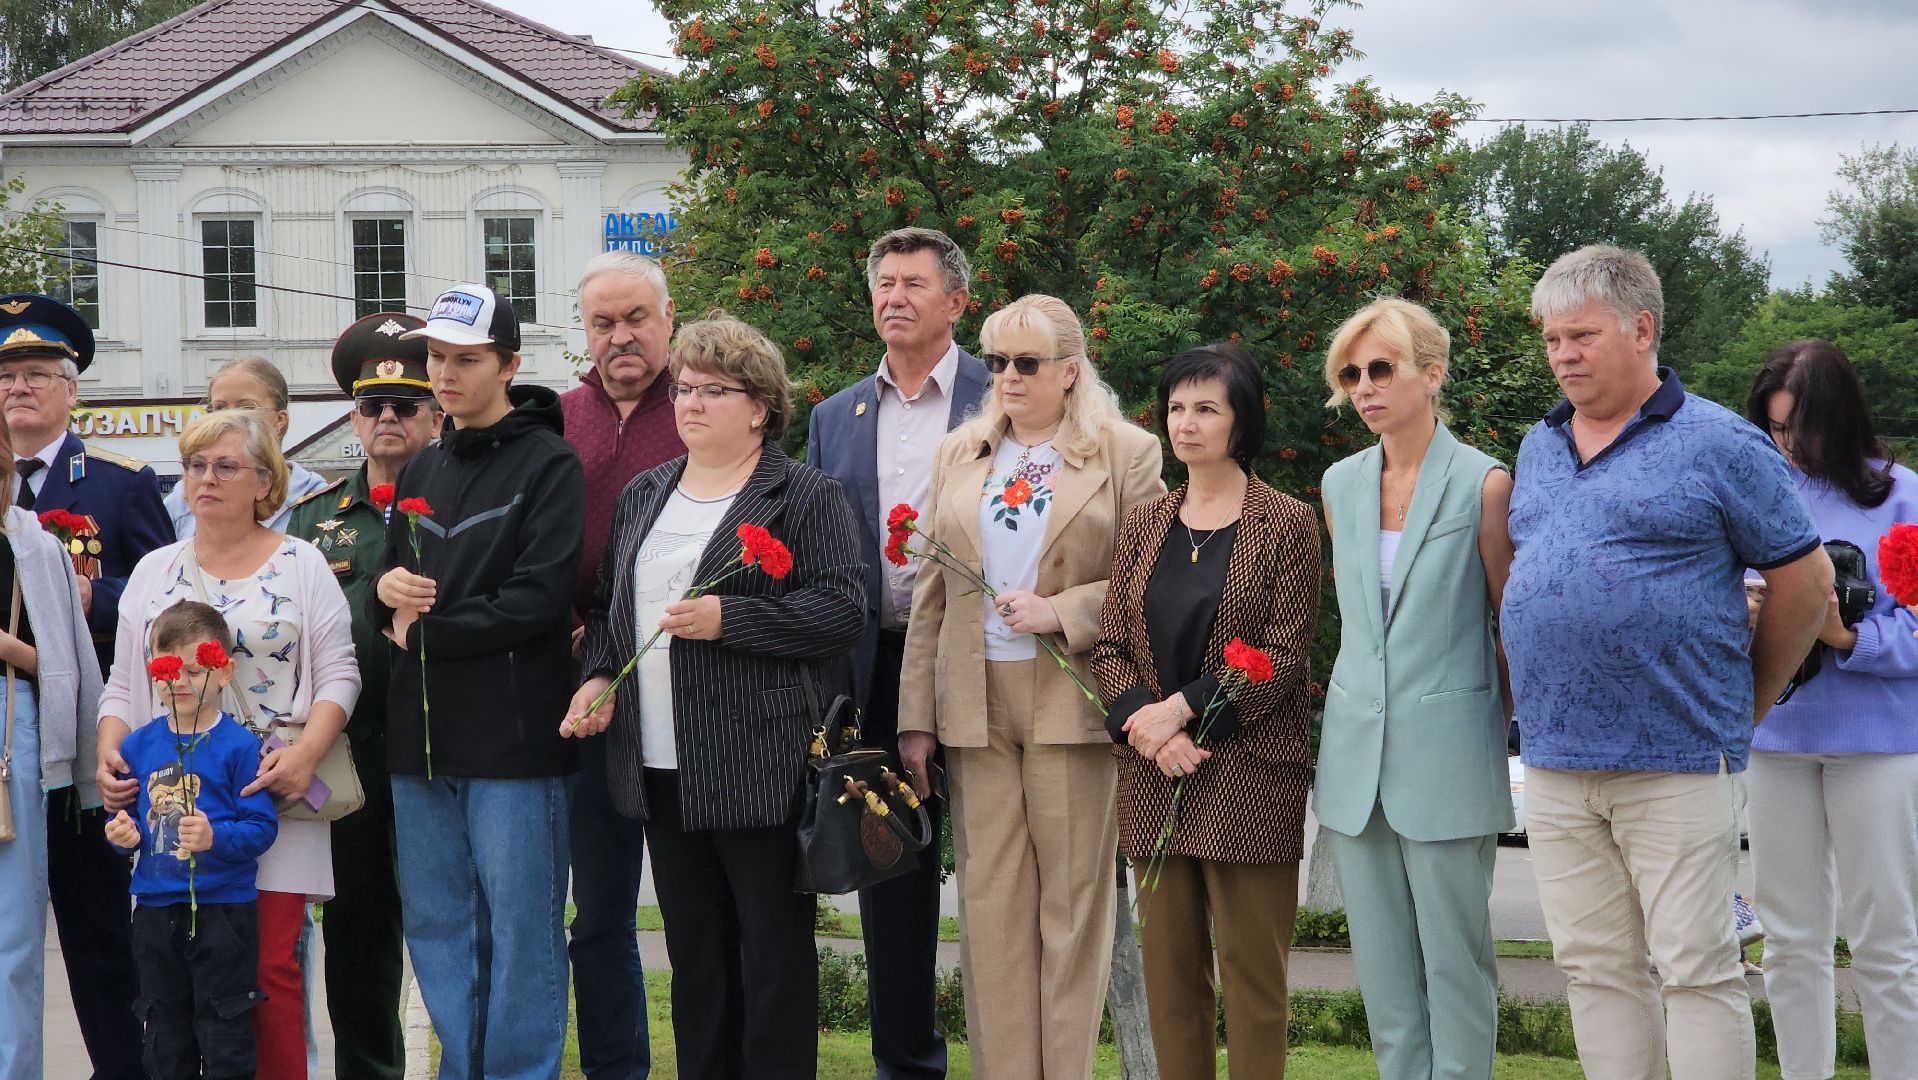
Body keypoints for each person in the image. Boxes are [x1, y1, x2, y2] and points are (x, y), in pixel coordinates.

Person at [1503, 245, 1832, 1080]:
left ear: (1641, 329)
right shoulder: (1538, 446)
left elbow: (1806, 578)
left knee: (1696, 969)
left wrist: (1754, 693)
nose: (1562, 355)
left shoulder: (1721, 441)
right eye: (1551, 340)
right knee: (1594, 969)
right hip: (1553, 759)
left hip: (1679, 755)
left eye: (1580, 336)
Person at [567, 313, 865, 1080]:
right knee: (695, 961)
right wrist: (600, 678)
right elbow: (609, 609)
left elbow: (841, 611)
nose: (690, 404)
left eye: (712, 391)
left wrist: (731, 617)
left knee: (771, 960)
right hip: (659, 764)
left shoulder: (803, 495)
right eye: (685, 389)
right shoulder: (646, 492)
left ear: (760, 406)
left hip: (759, 762)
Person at [896, 293, 1164, 1078]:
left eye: (1027, 362)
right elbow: (930, 595)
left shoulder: (1126, 452)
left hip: (1069, 705)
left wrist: (1064, 609)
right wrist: (917, 716)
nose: (1007, 376)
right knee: (990, 916)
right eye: (995, 361)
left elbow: (1147, 586)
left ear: (1070, 370)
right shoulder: (962, 451)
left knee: (1072, 915)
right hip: (972, 707)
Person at [97, 407, 359, 1080]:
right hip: (176, 802)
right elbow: (124, 685)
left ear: (266, 482)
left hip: (270, 789)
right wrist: (110, 749)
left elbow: (339, 673)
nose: (205, 479)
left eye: (225, 466)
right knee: (181, 980)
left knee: (268, 967)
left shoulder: (304, 564)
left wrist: (303, 759)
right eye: (193, 465)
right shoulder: (156, 571)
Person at [372, 283, 585, 1080]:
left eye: (467, 359)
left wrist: (422, 631)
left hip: (515, 743)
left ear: (510, 364)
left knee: (523, 932)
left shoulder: (550, 462)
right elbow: (386, 586)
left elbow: (538, 599)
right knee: (436, 926)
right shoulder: (423, 460)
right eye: (438, 357)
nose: (446, 374)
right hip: (417, 744)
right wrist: (383, 595)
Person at [1091, 342, 1319, 1080]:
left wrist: (1184, 711)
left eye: (1206, 409)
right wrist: (1151, 731)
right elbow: (1111, 646)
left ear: (1240, 420)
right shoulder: (1144, 524)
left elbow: (1283, 655)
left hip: (1249, 777)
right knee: (1170, 983)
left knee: (1254, 985)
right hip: (1155, 779)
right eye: (1176, 408)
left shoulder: (1287, 523)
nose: (1185, 423)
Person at [805, 226, 991, 1080]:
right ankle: (906, 1066)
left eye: (915, 283)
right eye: (884, 282)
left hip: (987, 668)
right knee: (892, 888)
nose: (894, 297)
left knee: (999, 882)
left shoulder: (1007, 395)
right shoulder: (833, 417)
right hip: (874, 674)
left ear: (957, 302)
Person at [1314, 299, 1515, 1080]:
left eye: (1380, 369)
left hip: (1450, 758)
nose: (1363, 386)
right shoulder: (1339, 483)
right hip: (1354, 762)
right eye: (1351, 374)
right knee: (1386, 977)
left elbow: (1509, 622)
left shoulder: (1485, 484)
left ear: (1431, 375)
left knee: (1456, 969)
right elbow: (1363, 626)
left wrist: (1486, 721)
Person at [1742, 340, 1918, 1077]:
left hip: (1877, 743)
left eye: (1801, 430)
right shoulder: (1755, 489)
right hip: (1775, 738)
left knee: (1886, 941)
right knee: (1789, 940)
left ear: (1840, 419)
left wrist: (1844, 633)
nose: (1788, 446)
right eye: (1776, 430)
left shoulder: (1904, 495)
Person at [0, 291, 161, 1080]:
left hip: (90, 731)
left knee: (100, 928)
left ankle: (124, 1069)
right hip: (8, 738)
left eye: (35, 373)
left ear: (72, 388)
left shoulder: (116, 482)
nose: (17, 389)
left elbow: (166, 594)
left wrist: (96, 595)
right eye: (5, 377)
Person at [284, 313, 440, 1080]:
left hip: (447, 750)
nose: (387, 419)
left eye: (407, 405)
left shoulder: (461, 503)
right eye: (372, 406)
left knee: (455, 931)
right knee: (357, 940)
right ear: (352, 416)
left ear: (436, 414)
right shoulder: (314, 524)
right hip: (349, 759)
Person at [559, 251, 684, 1080]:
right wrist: (573, 634)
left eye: (636, 318)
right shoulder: (554, 419)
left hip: (692, 689)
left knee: (698, 912)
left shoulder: (708, 408)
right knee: (599, 913)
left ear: (668, 319)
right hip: (584, 695)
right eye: (603, 323)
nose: (621, 337)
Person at [106, 601, 277, 1080]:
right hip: (156, 910)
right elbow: (127, 825)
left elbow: (263, 827)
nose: (179, 681)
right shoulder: (138, 744)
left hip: (224, 911)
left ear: (224, 673)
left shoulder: (241, 746)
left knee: (225, 1028)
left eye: (195, 670)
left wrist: (214, 837)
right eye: (167, 670)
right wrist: (122, 836)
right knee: (163, 1030)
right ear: (152, 674)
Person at [0, 424, 107, 1080]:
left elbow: (65, 666)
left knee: (13, 938)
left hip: (10, 730)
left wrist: (9, 650)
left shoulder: (31, 545)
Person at [164, 356, 331, 536]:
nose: (230, 419)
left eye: (246, 408)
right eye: (219, 408)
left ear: (280, 419)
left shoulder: (316, 499)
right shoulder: (184, 497)